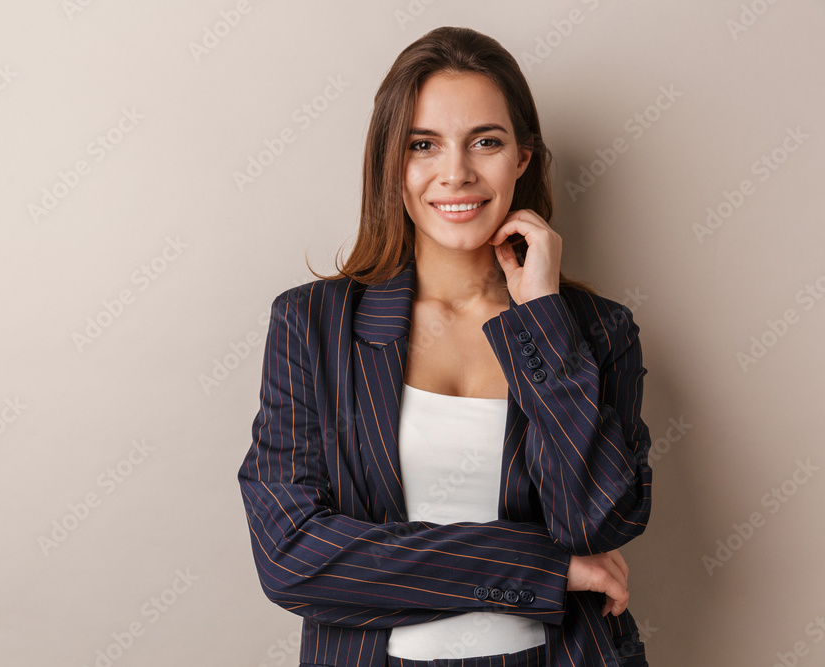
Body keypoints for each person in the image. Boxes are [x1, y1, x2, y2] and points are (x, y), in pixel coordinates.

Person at [237, 26, 652, 667]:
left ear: (522, 158)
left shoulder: (599, 330)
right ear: (391, 162)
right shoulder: (311, 324)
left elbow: (596, 522)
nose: (456, 173)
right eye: (423, 145)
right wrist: (540, 568)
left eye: (486, 141)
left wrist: (542, 319)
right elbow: (292, 557)